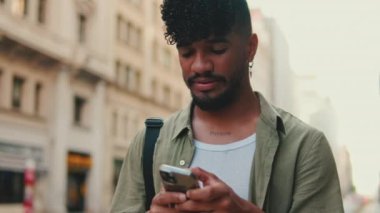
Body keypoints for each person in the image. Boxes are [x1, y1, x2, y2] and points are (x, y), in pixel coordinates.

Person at [111, 0, 344, 212]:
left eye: (217, 50)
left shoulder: (305, 147)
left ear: (250, 47)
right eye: (187, 52)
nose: (200, 65)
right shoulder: (149, 143)